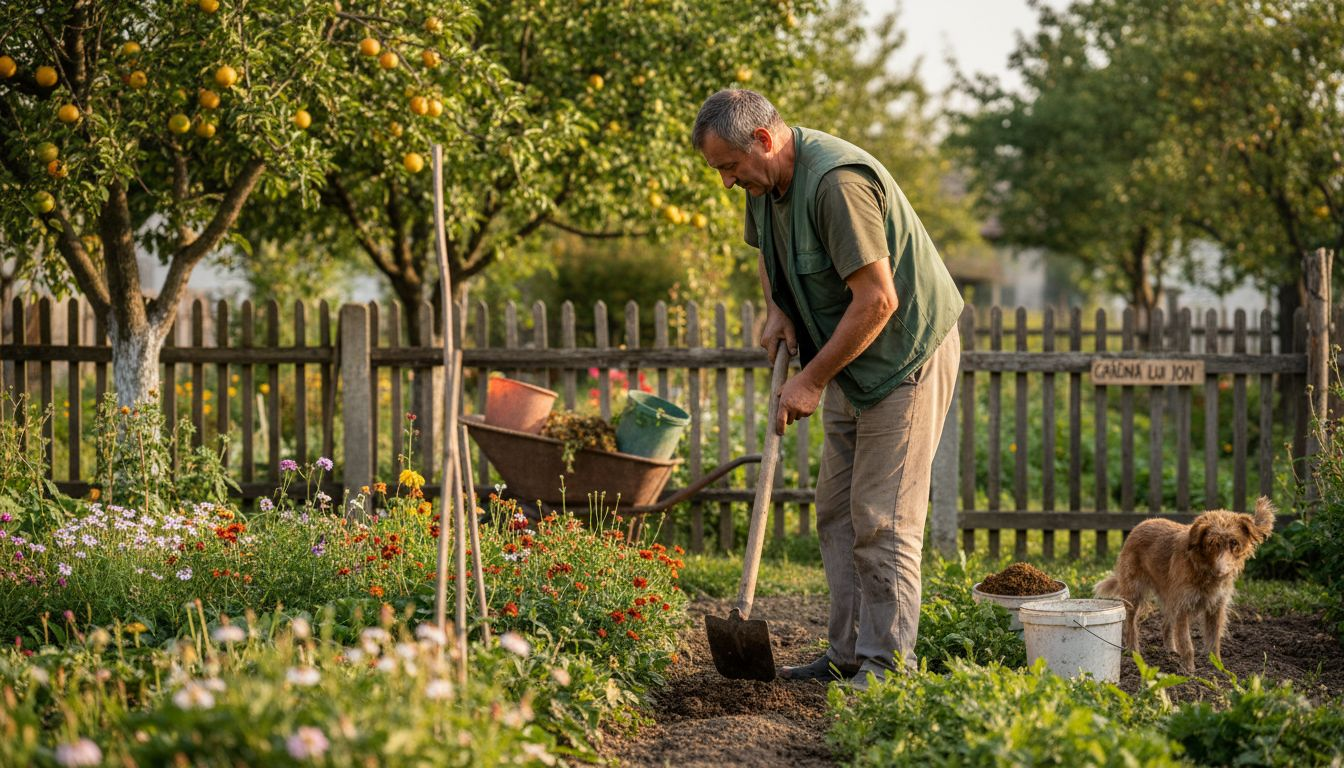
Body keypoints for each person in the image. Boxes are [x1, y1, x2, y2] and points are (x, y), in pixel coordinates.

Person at [692, 88, 963, 690]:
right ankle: (846, 654)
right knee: (836, 510)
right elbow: (768, 251)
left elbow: (880, 299)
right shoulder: (765, 186)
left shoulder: (836, 184)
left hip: (901, 354)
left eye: (731, 168)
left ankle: (889, 666)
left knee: (882, 517)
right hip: (849, 354)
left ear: (764, 140)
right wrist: (776, 309)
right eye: (720, 172)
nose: (729, 183)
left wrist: (810, 379)